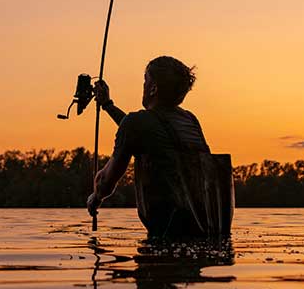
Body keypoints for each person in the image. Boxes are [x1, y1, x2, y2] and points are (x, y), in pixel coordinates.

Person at [87, 55, 221, 240]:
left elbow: (105, 183)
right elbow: (142, 131)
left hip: (166, 234)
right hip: (205, 231)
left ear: (153, 88)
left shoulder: (138, 124)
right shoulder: (189, 121)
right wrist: (108, 106)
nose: (143, 86)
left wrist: (96, 196)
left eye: (145, 81)